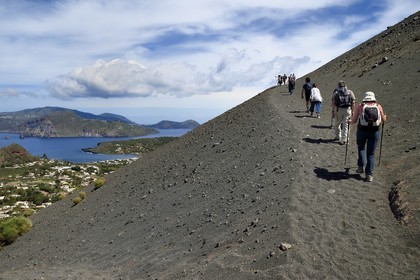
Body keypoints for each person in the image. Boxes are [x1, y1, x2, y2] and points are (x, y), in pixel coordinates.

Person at [348, 91, 387, 182]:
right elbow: (383, 120)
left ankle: (361, 167)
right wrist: (385, 116)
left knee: (361, 147)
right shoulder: (378, 106)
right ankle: (369, 175)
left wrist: (349, 122)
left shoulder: (360, 106)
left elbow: (353, 121)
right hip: (375, 131)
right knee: (371, 154)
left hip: (362, 130)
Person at [331, 80, 355, 145]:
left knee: (337, 124)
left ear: (338, 85)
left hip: (339, 110)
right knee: (346, 125)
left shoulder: (336, 93)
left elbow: (333, 102)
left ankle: (338, 137)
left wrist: (333, 111)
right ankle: (345, 139)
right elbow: (353, 102)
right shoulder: (350, 92)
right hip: (348, 110)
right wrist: (353, 111)